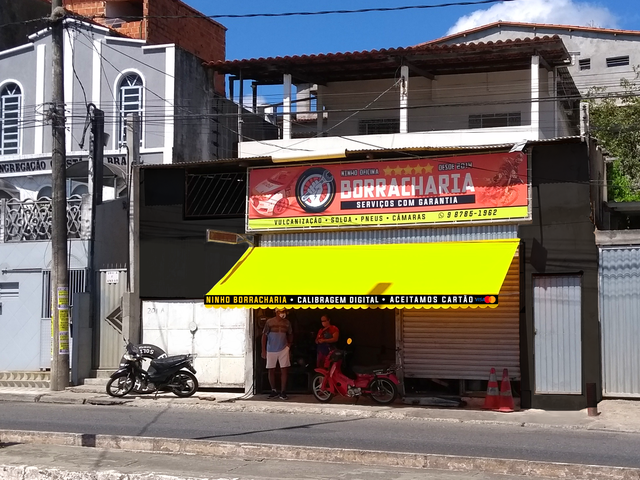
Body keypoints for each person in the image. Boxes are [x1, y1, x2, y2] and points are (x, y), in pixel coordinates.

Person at [261, 308, 293, 400]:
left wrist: (289, 345)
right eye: (281, 311)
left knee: (284, 370)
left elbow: (290, 333)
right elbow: (264, 335)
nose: (283, 313)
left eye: (284, 311)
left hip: (283, 349)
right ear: (276, 312)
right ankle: (273, 390)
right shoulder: (269, 322)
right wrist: (263, 350)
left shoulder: (287, 323)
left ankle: (283, 391)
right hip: (271, 349)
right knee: (271, 370)